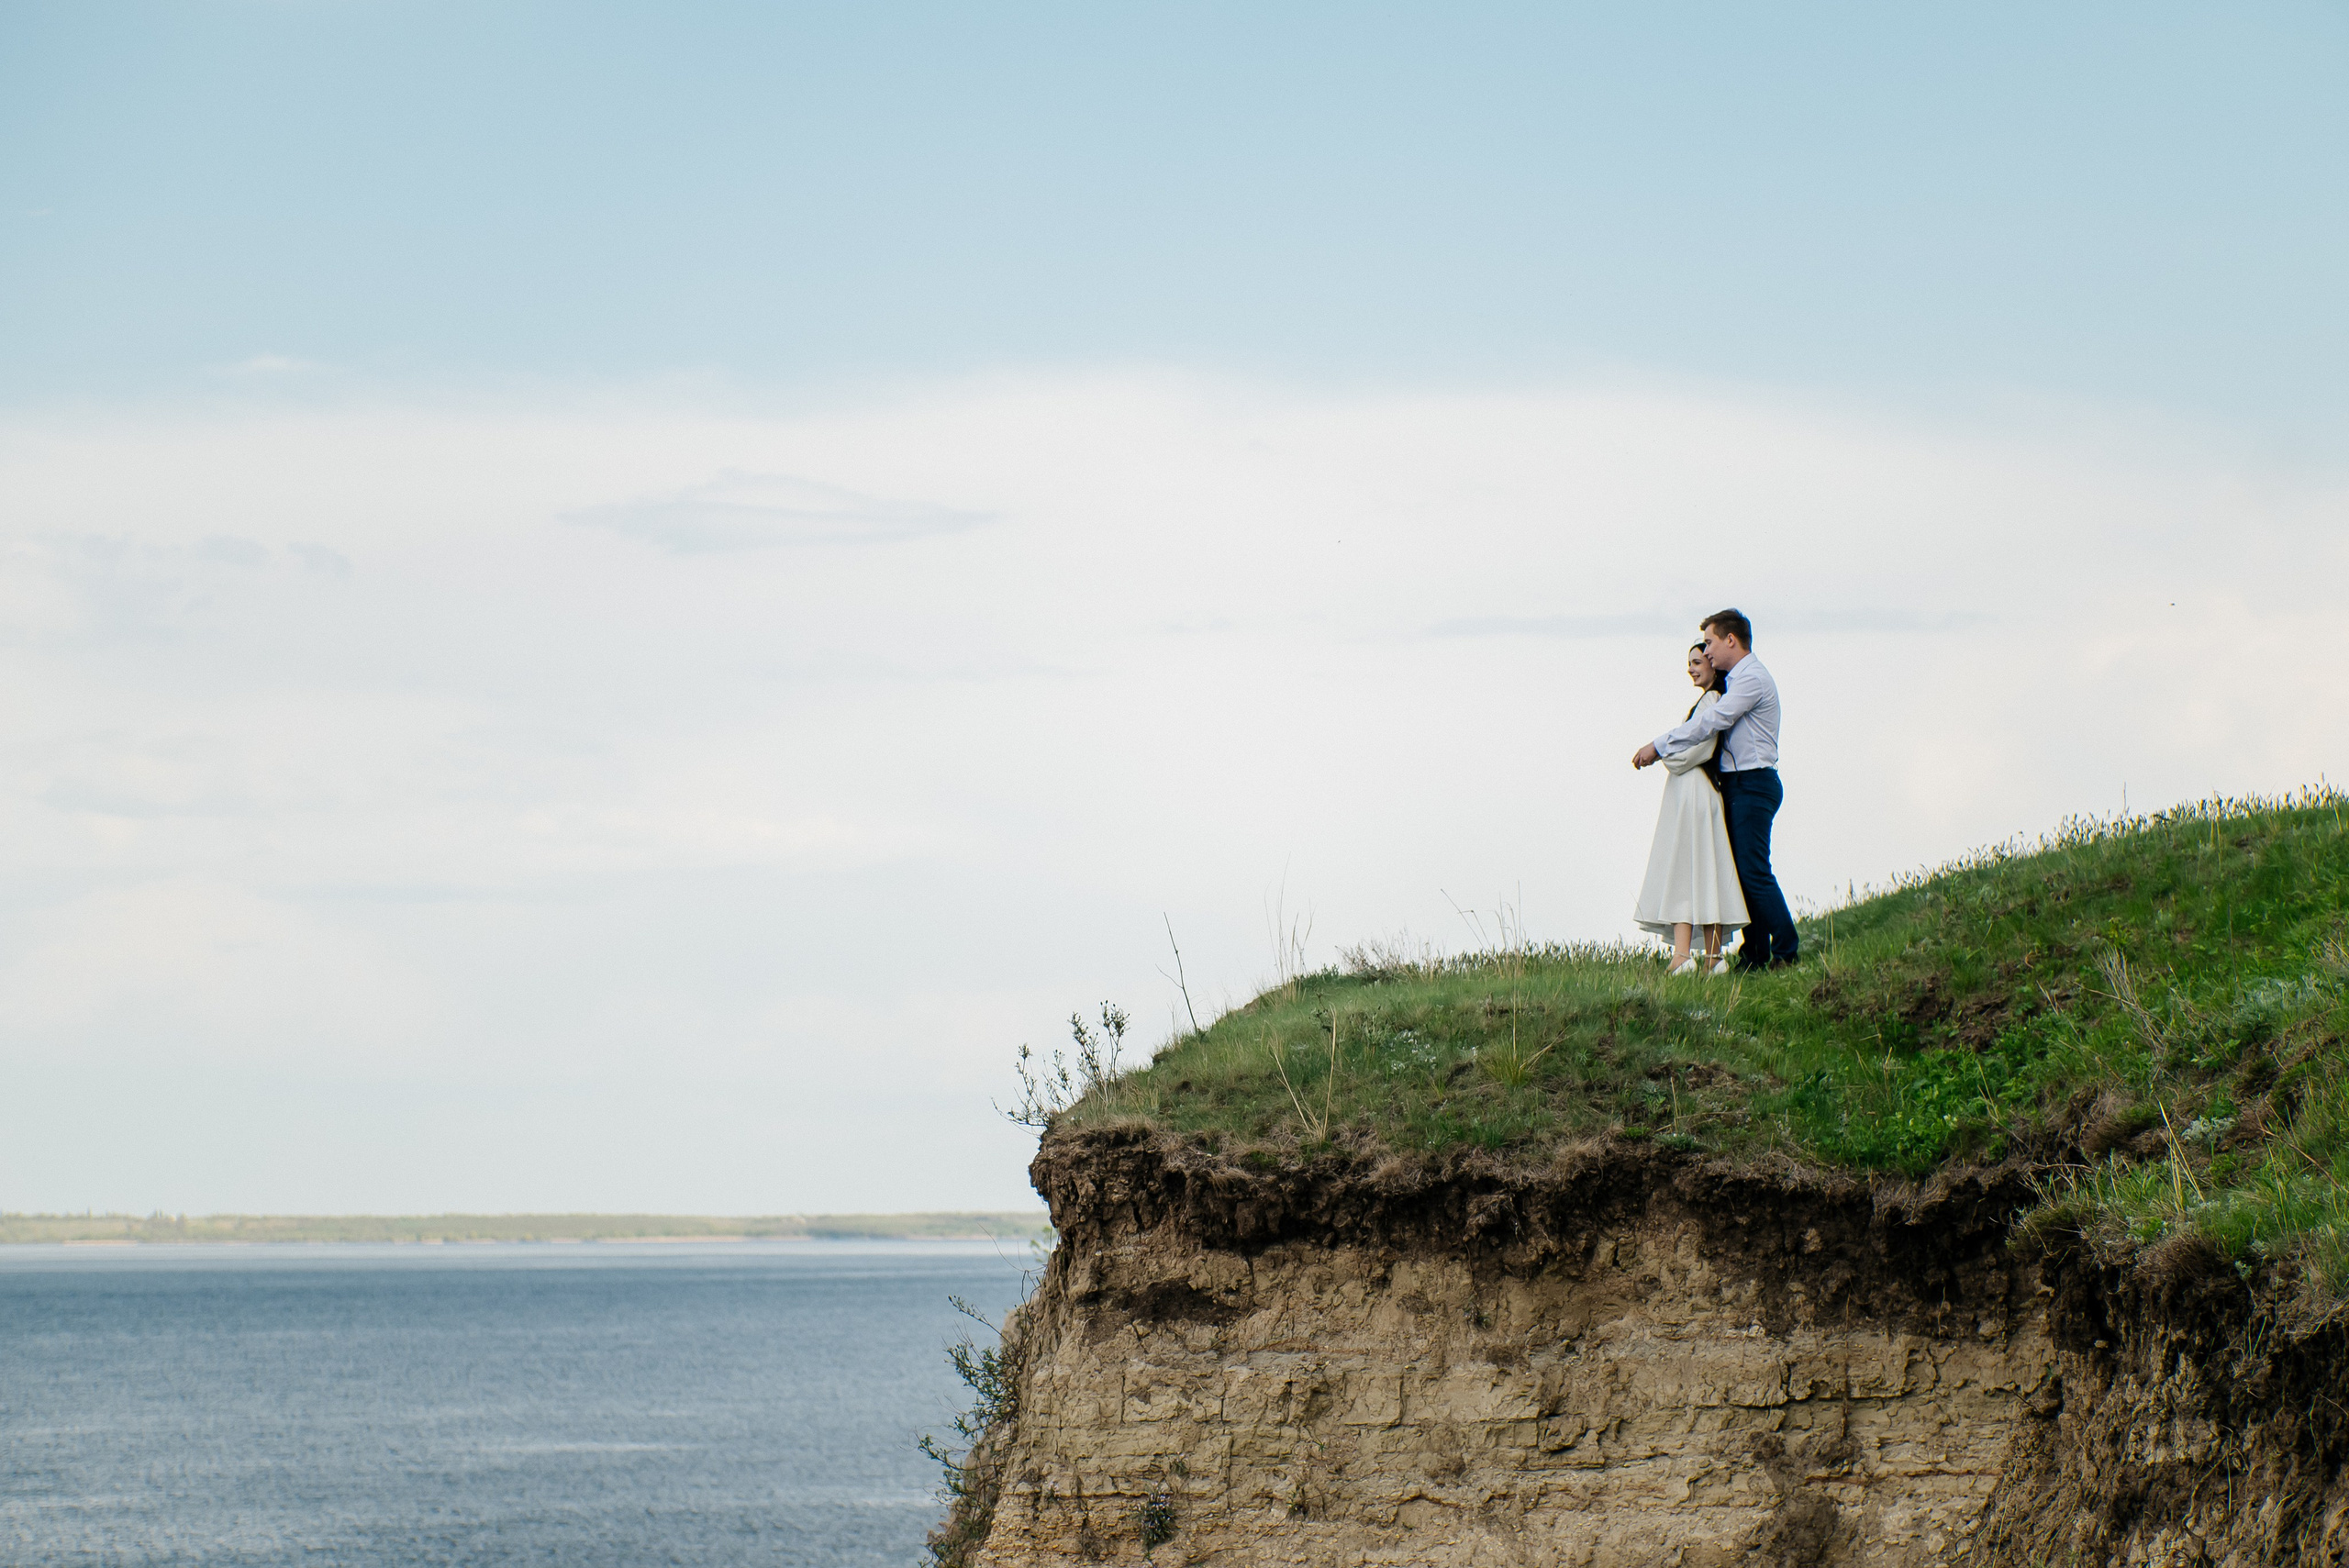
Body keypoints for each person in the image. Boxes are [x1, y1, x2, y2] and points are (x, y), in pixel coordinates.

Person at [1631, 608, 1798, 970]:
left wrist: (1659, 746)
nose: (1706, 653)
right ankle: (1755, 954)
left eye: (1709, 643)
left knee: (1753, 872)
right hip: (1739, 784)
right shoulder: (1737, 680)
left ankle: (1787, 950)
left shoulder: (1751, 680)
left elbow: (1713, 721)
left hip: (1753, 783)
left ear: (1730, 640)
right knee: (1741, 874)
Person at [1632, 643, 1748, 973]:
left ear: (1713, 666)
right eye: (1690, 663)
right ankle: (1712, 958)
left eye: (1698, 661)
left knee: (1685, 870)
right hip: (1697, 792)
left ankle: (1682, 956)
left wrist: (1663, 755)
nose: (1693, 668)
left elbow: (1695, 749)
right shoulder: (1709, 701)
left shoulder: (1711, 701)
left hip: (1694, 793)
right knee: (1704, 870)